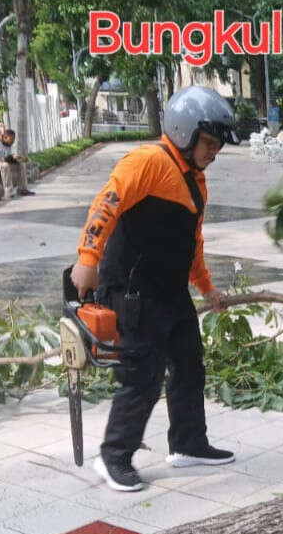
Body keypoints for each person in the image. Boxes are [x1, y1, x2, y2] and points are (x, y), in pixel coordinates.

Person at [70, 85, 239, 492]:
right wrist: (87, 259)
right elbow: (105, 205)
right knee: (143, 375)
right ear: (184, 131)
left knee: (189, 364)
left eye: (216, 146)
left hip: (170, 292)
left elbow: (192, 243)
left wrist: (206, 288)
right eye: (209, 143)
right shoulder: (148, 162)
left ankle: (188, 443)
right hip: (132, 292)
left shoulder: (196, 182)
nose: (212, 153)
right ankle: (113, 457)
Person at [0, 128, 35, 199]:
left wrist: (16, 159)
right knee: (5, 166)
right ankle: (8, 191)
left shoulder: (7, 145)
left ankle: (22, 189)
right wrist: (10, 158)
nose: (13, 142)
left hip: (0, 164)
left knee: (21, 165)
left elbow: (7, 157)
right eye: (11, 140)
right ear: (5, 137)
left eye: (14, 140)